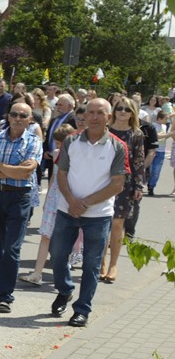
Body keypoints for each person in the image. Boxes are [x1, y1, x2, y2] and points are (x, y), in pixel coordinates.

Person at [50, 98, 127, 327]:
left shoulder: (118, 146)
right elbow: (61, 174)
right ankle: (65, 290)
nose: (93, 117)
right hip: (66, 210)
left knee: (92, 264)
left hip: (99, 215)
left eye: (99, 113)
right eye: (90, 112)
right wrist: (72, 201)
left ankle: (82, 310)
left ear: (108, 117)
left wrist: (84, 203)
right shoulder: (71, 141)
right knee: (57, 255)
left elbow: (117, 184)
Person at [0, 100, 42, 312]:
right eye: (14, 114)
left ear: (29, 120)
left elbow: (25, 173)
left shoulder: (33, 141)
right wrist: (9, 169)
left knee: (12, 249)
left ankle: (6, 296)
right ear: (8, 116)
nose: (17, 119)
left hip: (20, 197)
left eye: (22, 116)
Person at [20, 123, 77, 286]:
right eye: (57, 143)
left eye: (62, 143)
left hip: (69, 196)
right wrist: (47, 199)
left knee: (66, 237)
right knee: (46, 235)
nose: (59, 146)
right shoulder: (58, 153)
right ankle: (37, 272)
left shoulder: (78, 155)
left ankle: (64, 272)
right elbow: (54, 176)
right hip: (55, 196)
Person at [99, 96, 145, 283]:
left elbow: (139, 161)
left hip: (125, 185)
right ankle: (101, 263)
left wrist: (138, 185)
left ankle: (113, 265)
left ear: (132, 113)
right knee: (102, 223)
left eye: (127, 109)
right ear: (114, 111)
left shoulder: (136, 134)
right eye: (119, 108)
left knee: (118, 224)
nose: (123, 112)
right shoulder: (105, 131)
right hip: (103, 182)